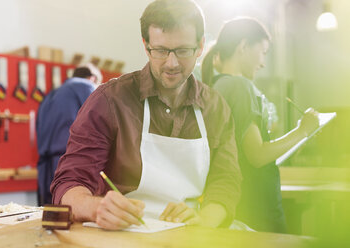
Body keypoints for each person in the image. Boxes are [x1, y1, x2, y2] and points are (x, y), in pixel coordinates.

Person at [50, 0, 242, 231]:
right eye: (160, 51)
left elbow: (226, 181)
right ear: (146, 45)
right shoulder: (110, 101)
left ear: (200, 46)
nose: (171, 63)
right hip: (121, 235)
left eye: (182, 51)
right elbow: (69, 183)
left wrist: (205, 220)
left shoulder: (215, 107)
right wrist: (95, 208)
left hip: (191, 234)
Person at [201, 17, 319, 233]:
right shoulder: (240, 86)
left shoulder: (217, 86)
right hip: (256, 208)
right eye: (263, 52)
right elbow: (257, 155)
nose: (263, 62)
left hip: (238, 205)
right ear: (243, 46)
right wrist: (303, 130)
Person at [36, 63, 102, 206]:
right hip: (71, 164)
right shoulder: (87, 87)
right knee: (72, 217)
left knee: (49, 217)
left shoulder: (51, 94)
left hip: (45, 167)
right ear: (92, 78)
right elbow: (101, 123)